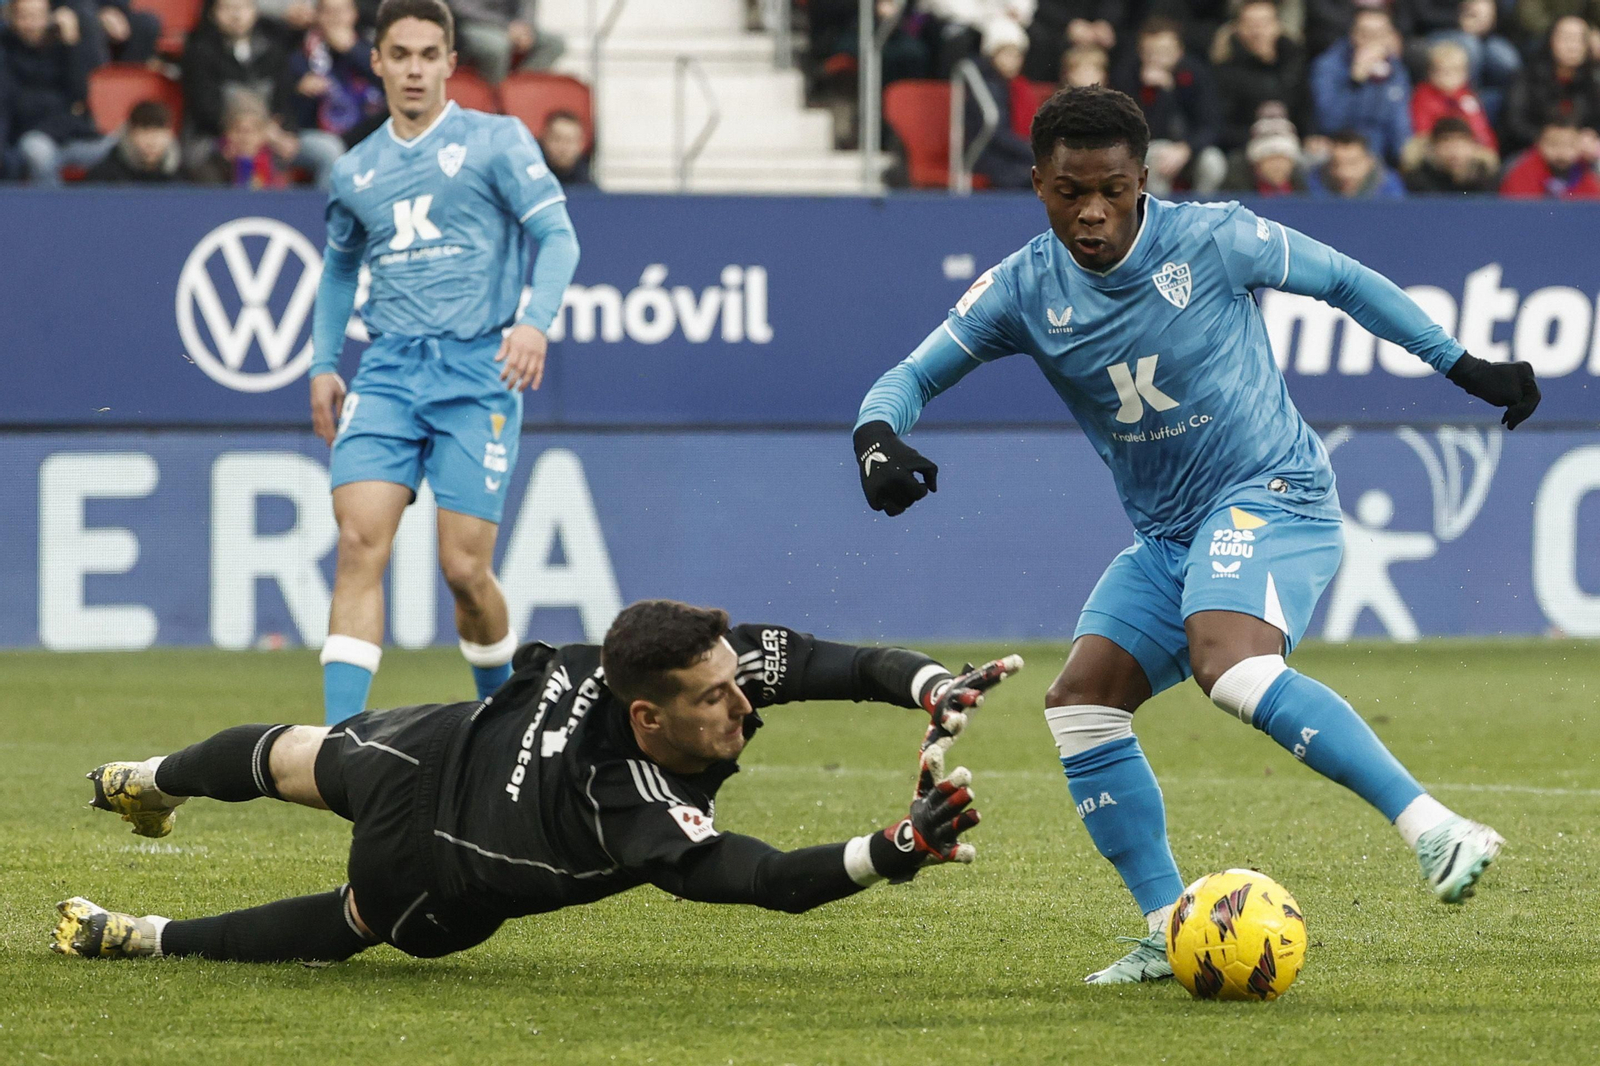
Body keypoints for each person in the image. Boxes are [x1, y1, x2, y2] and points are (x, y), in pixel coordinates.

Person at [851, 84, 1538, 985]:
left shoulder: (1214, 238)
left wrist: (1462, 363)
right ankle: (1169, 926)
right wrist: (876, 440)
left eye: (1111, 190)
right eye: (1068, 193)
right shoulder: (1021, 289)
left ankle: (1437, 829)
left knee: (1230, 663)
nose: (1091, 212)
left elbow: (1342, 279)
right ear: (1038, 185)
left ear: (1143, 179)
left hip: (1273, 494)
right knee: (1082, 705)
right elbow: (905, 378)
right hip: (1171, 533)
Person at [52, 601, 1018, 963]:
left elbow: (820, 662)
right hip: (432, 853)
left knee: (292, 755)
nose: (740, 704)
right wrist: (893, 851)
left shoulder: (663, 659)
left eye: (736, 683)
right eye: (717, 698)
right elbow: (765, 880)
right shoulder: (629, 806)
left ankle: (149, 787)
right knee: (355, 917)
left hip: (432, 746)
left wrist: (932, 684)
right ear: (648, 718)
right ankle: (142, 936)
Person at [306, 0, 581, 725]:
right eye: (402, 54)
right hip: (389, 372)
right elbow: (338, 271)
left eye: (430, 54)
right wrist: (322, 362)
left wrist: (533, 322)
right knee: (360, 543)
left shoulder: (496, 141)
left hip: (475, 372)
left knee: (464, 571)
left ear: (452, 63)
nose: (416, 69)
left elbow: (557, 238)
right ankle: (339, 748)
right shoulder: (355, 170)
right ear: (378, 62)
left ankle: (504, 724)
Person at [181, 0, 345, 187]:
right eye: (227, 8)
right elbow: (205, 109)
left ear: (255, 11)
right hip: (217, 138)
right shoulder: (199, 50)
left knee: (328, 150)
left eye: (243, 7)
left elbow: (284, 101)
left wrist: (288, 133)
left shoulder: (273, 48)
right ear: (212, 14)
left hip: (273, 138)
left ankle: (317, 214)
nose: (236, 15)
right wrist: (254, 133)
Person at [1, 0, 113, 184]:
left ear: (48, 17)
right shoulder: (5, 52)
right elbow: (8, 104)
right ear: (12, 19)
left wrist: (72, 43)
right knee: (37, 152)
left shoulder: (63, 46)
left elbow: (80, 92)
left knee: (122, 148)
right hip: (32, 136)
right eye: (24, 17)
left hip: (71, 135)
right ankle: (54, 211)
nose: (31, 24)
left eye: (37, 16)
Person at [1114, 16, 1225, 195]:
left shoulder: (1196, 74)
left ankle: (1203, 214)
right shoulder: (1129, 77)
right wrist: (1160, 95)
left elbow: (1211, 124)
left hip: (1190, 147)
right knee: (1156, 161)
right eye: (1150, 52)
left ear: (1179, 51)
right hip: (1151, 148)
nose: (1157, 58)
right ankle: (1162, 216)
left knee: (1212, 162)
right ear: (1141, 52)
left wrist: (1186, 148)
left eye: (1165, 51)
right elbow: (1136, 131)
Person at [1310, 1, 1413, 164]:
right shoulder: (1328, 66)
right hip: (1342, 148)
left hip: (1382, 154)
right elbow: (1328, 122)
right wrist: (1355, 81)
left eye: (1379, 34)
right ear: (1353, 34)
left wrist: (1405, 156)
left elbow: (1400, 123)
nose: (1372, 40)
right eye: (1365, 33)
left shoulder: (1396, 69)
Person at [1213, 0, 1311, 156]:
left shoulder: (1295, 61)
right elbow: (1219, 125)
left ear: (1277, 26)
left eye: (1264, 23)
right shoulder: (1224, 70)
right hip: (1245, 149)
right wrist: (1259, 136)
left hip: (1293, 144)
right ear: (1238, 29)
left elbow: (1307, 109)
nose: (1258, 32)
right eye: (1251, 24)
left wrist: (1310, 136)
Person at [290, 0, 387, 147]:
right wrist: (301, 90)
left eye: (341, 11)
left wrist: (352, 50)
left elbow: (388, 81)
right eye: (328, 12)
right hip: (325, 137)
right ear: (316, 16)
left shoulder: (372, 46)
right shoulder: (302, 53)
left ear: (354, 14)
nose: (335, 18)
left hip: (371, 127)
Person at [1500, 14, 1600, 156]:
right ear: (1551, 41)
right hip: (1530, 151)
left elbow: (1595, 124)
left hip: (1576, 155)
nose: (1572, 45)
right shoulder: (1527, 76)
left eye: (1579, 40)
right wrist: (1551, 141)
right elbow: (1514, 123)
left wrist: (1589, 137)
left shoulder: (1591, 82)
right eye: (1566, 38)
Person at [187, 86, 293, 186]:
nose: (244, 137)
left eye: (252, 130)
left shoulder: (277, 165)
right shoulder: (210, 164)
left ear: (263, 135)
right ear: (226, 132)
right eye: (237, 130)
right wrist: (228, 166)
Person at [1411, 38, 1497, 149]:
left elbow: (1480, 128)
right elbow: (1422, 132)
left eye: (1455, 70)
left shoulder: (1467, 97)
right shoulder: (1423, 96)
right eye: (1443, 70)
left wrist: (1485, 148)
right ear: (1430, 72)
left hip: (1468, 150)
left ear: (1465, 73)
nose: (1449, 76)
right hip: (1437, 149)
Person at [450, 0, 562, 84]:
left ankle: (518, 88)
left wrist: (524, 26)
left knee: (554, 44)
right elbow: (461, 8)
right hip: (473, 24)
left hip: (513, 27)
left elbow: (528, 4)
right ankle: (495, 94)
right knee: (498, 47)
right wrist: (506, 26)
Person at [1499, 116, 1600, 197]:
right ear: (1539, 143)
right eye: (1553, 144)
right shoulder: (1521, 173)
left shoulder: (1586, 174)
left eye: (1569, 145)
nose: (1561, 152)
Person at [83, 98, 180, 181]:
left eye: (158, 133)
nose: (152, 142)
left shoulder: (182, 179)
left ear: (169, 135)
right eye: (144, 132)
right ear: (130, 134)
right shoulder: (104, 178)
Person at [1402, 113, 1498, 191]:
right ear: (1433, 149)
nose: (1454, 152)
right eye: (1447, 145)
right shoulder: (1418, 180)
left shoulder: (1485, 178)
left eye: (1460, 145)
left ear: (1473, 147)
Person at [1306, 126, 1406, 196]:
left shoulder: (1390, 186)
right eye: (1336, 165)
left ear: (1369, 161)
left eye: (1352, 163)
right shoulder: (1311, 184)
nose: (1344, 173)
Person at [1222, 113, 1309, 193]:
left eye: (1283, 159)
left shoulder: (1302, 188)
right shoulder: (1235, 188)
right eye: (1271, 159)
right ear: (1257, 163)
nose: (1277, 166)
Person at [537, 109, 590, 185]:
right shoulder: (530, 181)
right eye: (557, 139)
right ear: (544, 139)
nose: (563, 148)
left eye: (570, 141)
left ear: (581, 144)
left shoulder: (587, 186)